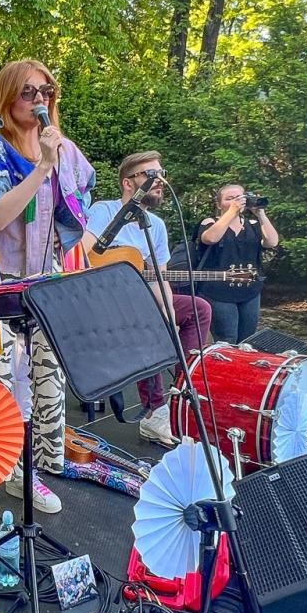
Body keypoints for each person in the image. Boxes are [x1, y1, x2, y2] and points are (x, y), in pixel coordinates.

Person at [0, 59, 94, 548]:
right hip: (0, 292)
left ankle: (22, 471)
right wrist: (42, 169)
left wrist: (60, 166)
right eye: (27, 92)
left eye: (46, 90)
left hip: (46, 289)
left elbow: (79, 210)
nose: (39, 99)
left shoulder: (66, 149)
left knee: (35, 392)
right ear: (7, 99)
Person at [83, 153, 211, 446]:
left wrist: (167, 314)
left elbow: (159, 277)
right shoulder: (104, 211)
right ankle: (155, 411)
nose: (160, 181)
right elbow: (81, 255)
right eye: (150, 174)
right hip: (100, 306)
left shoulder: (156, 225)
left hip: (139, 304)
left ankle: (184, 391)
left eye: (161, 173)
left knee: (197, 308)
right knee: (147, 318)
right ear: (129, 183)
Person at [197, 183, 279, 343]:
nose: (236, 202)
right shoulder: (210, 222)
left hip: (250, 291)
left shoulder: (253, 225)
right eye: (230, 199)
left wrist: (260, 214)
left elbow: (272, 242)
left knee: (247, 340)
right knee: (227, 338)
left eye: (240, 198)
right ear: (219, 204)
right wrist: (231, 212)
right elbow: (210, 238)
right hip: (217, 292)